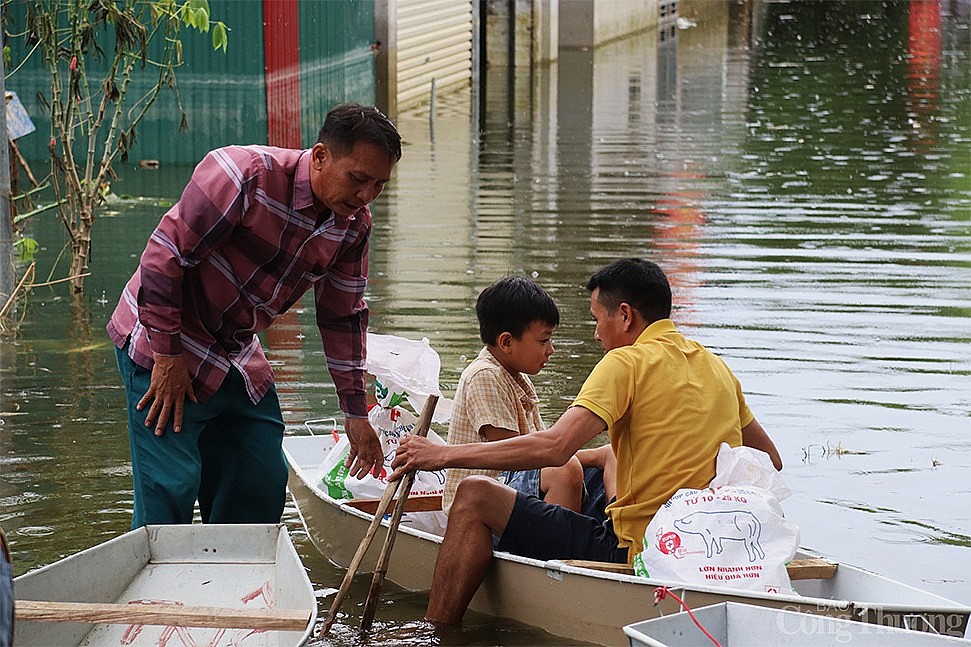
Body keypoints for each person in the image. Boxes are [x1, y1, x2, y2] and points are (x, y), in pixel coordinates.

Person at [390, 258, 782, 625]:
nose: (595, 333)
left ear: (625, 315)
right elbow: (770, 459)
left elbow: (555, 448)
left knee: (475, 494)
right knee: (605, 457)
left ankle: (435, 631)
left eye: (597, 319)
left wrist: (441, 455)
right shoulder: (717, 367)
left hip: (639, 548)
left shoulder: (625, 362)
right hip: (706, 542)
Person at [107, 103, 401, 528]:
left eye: (379, 185)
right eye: (358, 179)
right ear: (320, 156)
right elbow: (164, 256)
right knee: (169, 489)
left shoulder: (353, 226)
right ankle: (163, 574)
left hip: (236, 349)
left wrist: (356, 412)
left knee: (259, 481)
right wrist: (167, 357)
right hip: (165, 336)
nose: (365, 196)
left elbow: (343, 317)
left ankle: (231, 570)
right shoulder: (244, 175)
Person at [443, 276, 584, 514]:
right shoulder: (484, 375)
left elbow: (541, 448)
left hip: (513, 482)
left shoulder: (516, 377)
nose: (551, 350)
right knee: (565, 470)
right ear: (507, 342)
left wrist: (594, 456)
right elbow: (513, 455)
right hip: (484, 498)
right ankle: (556, 539)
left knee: (601, 459)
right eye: (544, 340)